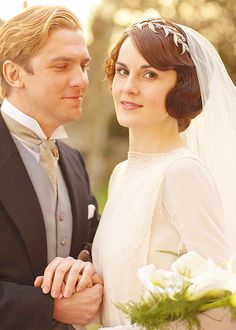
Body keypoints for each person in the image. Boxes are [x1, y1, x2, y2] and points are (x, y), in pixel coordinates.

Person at [35, 18, 236, 329]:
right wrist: (84, 277)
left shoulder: (181, 173)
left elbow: (222, 308)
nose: (129, 87)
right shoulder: (121, 174)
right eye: (123, 71)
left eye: (150, 74)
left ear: (182, 86)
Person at [0, 5, 103, 330]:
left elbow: (91, 246)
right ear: (13, 74)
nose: (81, 80)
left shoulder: (73, 160)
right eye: (61, 66)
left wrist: (85, 268)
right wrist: (50, 308)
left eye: (84, 66)